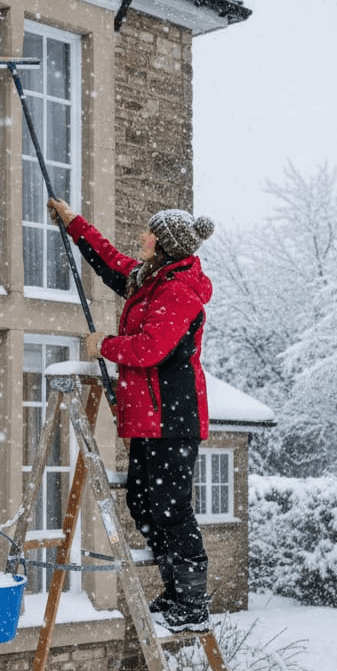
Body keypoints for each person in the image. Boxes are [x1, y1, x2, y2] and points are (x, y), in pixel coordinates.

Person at [48, 197, 215, 633]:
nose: (142, 237)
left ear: (164, 245)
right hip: (150, 421)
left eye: (149, 232)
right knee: (142, 502)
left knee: (171, 509)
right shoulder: (151, 280)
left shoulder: (178, 291)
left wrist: (104, 345)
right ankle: (174, 591)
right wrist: (75, 225)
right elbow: (111, 263)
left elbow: (149, 349)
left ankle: (193, 604)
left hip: (173, 421)